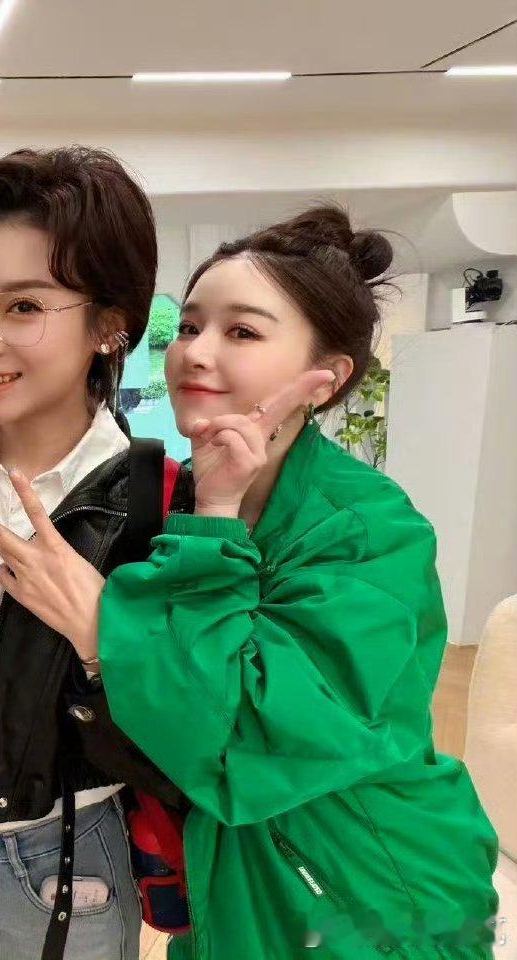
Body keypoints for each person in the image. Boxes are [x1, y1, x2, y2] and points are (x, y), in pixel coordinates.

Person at [85, 206, 497, 957]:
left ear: (326, 378)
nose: (194, 353)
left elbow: (237, 737)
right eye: (189, 326)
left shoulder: (367, 527)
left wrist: (203, 530)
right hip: (235, 876)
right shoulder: (177, 499)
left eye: (242, 332)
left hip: (363, 882)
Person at [0, 146, 193, 960]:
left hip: (56, 868)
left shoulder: (159, 510)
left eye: (23, 307)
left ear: (110, 324)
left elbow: (184, 758)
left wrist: (101, 642)